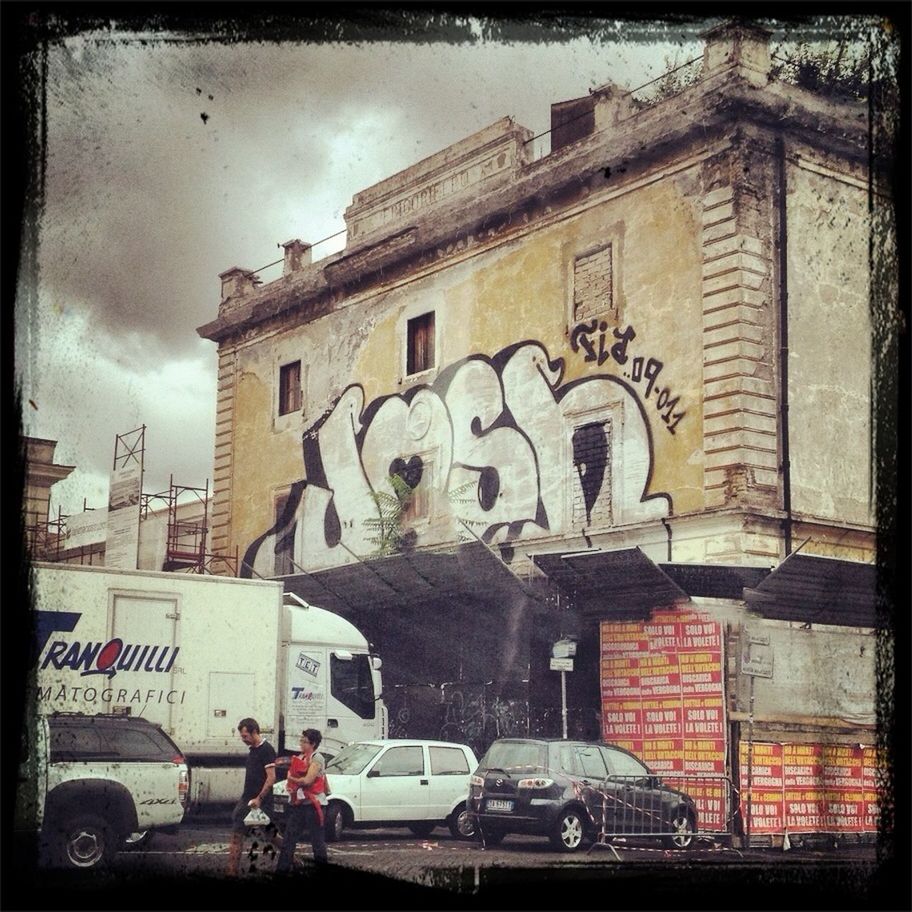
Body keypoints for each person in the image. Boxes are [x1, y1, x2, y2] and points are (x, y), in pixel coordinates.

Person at [227, 717, 278, 877]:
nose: (243, 740)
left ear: (254, 732)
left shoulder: (266, 750)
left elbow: (271, 778)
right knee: (237, 833)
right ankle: (231, 872)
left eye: (245, 736)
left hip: (260, 802)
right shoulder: (253, 750)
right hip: (247, 800)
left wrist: (259, 799)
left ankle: (292, 857)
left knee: (271, 835)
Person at [275, 728, 328, 871]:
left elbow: (308, 781)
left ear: (313, 744)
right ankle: (282, 870)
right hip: (299, 804)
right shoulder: (301, 757)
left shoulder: (317, 758)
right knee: (289, 838)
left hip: (314, 805)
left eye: (305, 742)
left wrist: (291, 778)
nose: (301, 744)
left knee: (317, 841)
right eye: (301, 740)